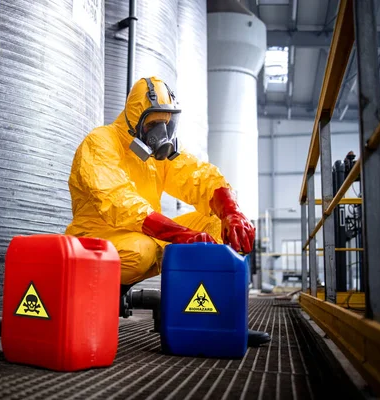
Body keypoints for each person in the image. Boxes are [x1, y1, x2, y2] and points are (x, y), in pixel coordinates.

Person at [65, 76, 270, 347]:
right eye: (153, 124)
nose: (160, 133)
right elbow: (119, 201)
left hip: (147, 232)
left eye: (166, 123)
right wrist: (178, 234)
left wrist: (231, 211)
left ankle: (217, 322)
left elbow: (199, 177)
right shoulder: (100, 143)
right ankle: (103, 293)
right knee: (141, 252)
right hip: (98, 239)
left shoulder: (154, 155)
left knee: (214, 224)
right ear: (134, 120)